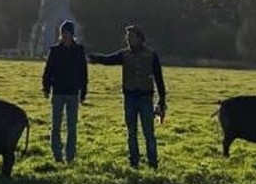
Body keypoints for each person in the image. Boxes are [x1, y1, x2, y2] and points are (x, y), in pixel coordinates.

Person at [88, 24, 167, 169]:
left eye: (131, 36)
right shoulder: (124, 55)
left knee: (148, 133)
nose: (128, 39)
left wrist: (162, 100)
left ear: (139, 38)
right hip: (130, 98)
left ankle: (153, 162)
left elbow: (159, 79)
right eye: (128, 37)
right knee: (132, 133)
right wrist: (92, 57)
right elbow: (107, 59)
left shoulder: (151, 55)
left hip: (145, 98)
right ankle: (134, 161)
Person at [41, 19, 88, 163]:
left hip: (73, 92)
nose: (65, 35)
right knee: (56, 126)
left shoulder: (79, 51)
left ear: (72, 34)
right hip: (58, 92)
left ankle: (70, 156)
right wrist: (46, 87)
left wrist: (83, 92)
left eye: (67, 33)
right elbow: (48, 70)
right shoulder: (55, 50)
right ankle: (57, 155)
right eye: (63, 33)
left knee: (71, 127)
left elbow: (83, 72)